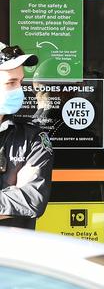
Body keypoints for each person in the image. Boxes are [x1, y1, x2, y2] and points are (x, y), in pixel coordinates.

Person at [0, 42, 54, 229]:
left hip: (15, 254)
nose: (19, 90)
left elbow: (32, 200)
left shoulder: (32, 138)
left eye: (21, 82)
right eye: (11, 83)